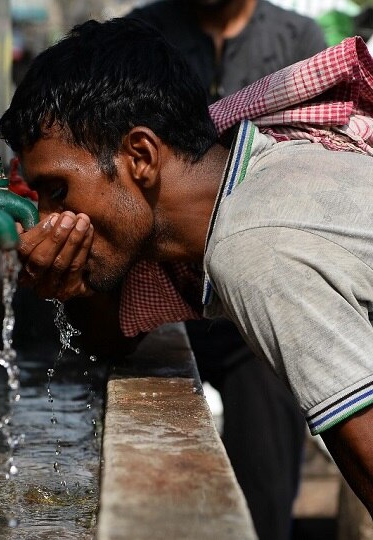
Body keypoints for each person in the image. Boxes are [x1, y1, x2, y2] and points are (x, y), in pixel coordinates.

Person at [0, 17, 373, 519]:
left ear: (141, 156)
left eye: (58, 190)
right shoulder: (256, 176)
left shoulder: (250, 247)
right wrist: (75, 287)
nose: (47, 221)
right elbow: (113, 339)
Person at [123, 2, 327, 537]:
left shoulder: (295, 38)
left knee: (264, 482)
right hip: (162, 287)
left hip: (254, 306)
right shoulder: (144, 34)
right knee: (147, 477)